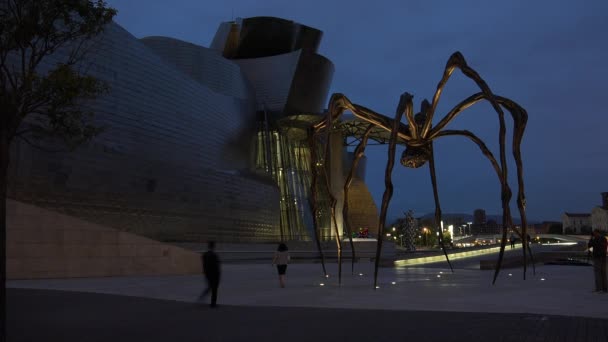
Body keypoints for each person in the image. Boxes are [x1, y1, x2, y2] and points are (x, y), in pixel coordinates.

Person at [198, 241, 221, 307]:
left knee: (210, 287)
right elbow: (217, 267)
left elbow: (204, 265)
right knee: (214, 289)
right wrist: (218, 276)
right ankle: (213, 304)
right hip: (214, 275)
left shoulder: (204, 255)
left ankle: (203, 297)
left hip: (207, 274)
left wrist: (205, 273)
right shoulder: (215, 255)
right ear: (213, 247)